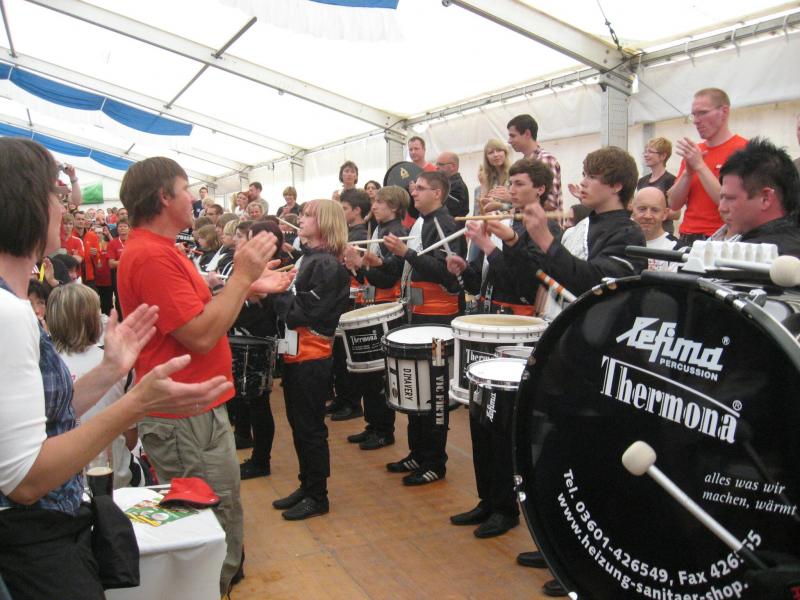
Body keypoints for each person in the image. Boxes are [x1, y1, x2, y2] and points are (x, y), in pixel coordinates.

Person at [0, 138, 231, 600]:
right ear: (26, 203)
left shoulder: (14, 307)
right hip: (32, 541)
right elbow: (25, 480)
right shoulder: (8, 314)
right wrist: (134, 405)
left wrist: (109, 370)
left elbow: (41, 415)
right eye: (55, 195)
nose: (63, 207)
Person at [116, 156, 286, 595]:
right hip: (184, 416)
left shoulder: (161, 249)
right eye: (186, 189)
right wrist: (242, 277)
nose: (193, 198)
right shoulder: (152, 256)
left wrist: (245, 285)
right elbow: (201, 334)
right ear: (163, 197)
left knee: (218, 517)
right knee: (208, 523)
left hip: (194, 410)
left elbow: (195, 311)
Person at [503, 148, 646, 598]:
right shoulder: (584, 225)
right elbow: (551, 275)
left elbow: (595, 284)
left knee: (586, 463)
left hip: (598, 360)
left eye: (591, 176)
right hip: (568, 349)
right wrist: (517, 244)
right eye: (583, 174)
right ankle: (558, 545)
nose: (582, 182)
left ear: (616, 185)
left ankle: (579, 560)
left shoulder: (627, 233)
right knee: (554, 456)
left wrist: (545, 239)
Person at [446, 159, 557, 542]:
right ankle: (488, 499)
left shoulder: (541, 228)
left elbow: (526, 283)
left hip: (516, 332)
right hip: (490, 322)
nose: (512, 189)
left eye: (520, 183)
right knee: (480, 419)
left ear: (539, 189)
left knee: (501, 422)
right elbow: (487, 281)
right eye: (511, 182)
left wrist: (490, 244)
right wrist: (466, 267)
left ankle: (506, 508)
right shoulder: (514, 225)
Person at [383, 171, 466, 486]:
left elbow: (447, 275)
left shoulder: (444, 225)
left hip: (438, 323)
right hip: (419, 318)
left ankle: (434, 462)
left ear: (437, 193)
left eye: (419, 188)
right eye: (413, 188)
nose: (413, 192)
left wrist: (407, 253)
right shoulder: (423, 222)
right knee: (417, 390)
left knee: (434, 393)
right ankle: (417, 453)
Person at [271, 200, 350, 520]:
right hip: (296, 355)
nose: (300, 220)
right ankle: (307, 485)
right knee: (299, 424)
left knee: (310, 427)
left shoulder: (327, 266)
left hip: (312, 357)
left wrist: (277, 291)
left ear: (325, 223)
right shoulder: (308, 259)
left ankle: (318, 495)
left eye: (307, 216)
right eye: (301, 214)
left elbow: (299, 314)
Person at [46, 284, 145, 489]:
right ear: (93, 320)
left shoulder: (41, 369)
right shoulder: (117, 362)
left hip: (56, 484)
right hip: (115, 480)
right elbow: (131, 439)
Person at [342, 186, 409, 450]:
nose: (375, 206)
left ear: (394, 206)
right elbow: (372, 275)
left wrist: (362, 266)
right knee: (368, 374)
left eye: (380, 202)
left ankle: (384, 430)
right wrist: (357, 267)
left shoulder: (396, 232)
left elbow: (389, 277)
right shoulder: (379, 229)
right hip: (374, 302)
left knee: (379, 373)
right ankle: (373, 424)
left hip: (386, 306)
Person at [668, 88, 748, 245]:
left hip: (721, 238)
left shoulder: (743, 150)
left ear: (724, 112)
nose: (696, 120)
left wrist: (699, 166)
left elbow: (729, 203)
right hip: (687, 236)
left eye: (703, 113)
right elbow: (673, 204)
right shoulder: (695, 152)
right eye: (694, 115)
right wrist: (687, 173)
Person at [718, 137, 800, 256]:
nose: (722, 208)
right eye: (721, 198)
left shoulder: (749, 257)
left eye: (730, 198)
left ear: (766, 199)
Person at [507, 114, 563, 210]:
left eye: (513, 136)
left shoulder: (545, 159)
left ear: (527, 134)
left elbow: (551, 205)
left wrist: (510, 198)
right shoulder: (523, 162)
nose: (509, 141)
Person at [630, 187, 682, 271]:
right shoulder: (618, 243)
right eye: (642, 209)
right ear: (632, 211)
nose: (647, 216)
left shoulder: (677, 250)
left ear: (665, 214)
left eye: (655, 210)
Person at [636, 136, 679, 232]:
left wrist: (652, 213)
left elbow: (676, 214)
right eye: (645, 152)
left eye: (650, 152)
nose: (646, 155)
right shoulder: (642, 181)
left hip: (662, 231)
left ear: (663, 156)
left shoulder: (671, 180)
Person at [436, 151, 469, 218]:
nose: (436, 167)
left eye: (440, 164)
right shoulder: (448, 184)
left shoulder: (457, 186)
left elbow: (447, 211)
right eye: (436, 164)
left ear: (453, 166)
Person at [107, 218, 129, 316]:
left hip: (133, 275)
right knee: (120, 300)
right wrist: (127, 262)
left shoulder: (134, 241)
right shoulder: (113, 243)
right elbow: (111, 264)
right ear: (117, 229)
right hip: (119, 276)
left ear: (129, 228)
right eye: (120, 226)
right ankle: (121, 321)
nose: (122, 228)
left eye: (125, 226)